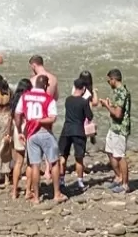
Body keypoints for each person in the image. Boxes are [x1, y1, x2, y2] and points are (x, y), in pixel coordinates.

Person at [18, 75, 63, 204]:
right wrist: (40, 120)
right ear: (46, 85)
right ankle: (56, 193)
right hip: (44, 131)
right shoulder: (49, 99)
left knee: (35, 165)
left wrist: (20, 130)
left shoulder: (25, 96)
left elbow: (17, 113)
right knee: (54, 162)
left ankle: (36, 197)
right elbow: (52, 118)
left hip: (31, 133)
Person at [95, 68, 132, 191]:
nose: (108, 83)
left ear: (113, 79)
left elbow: (118, 114)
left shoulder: (121, 92)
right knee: (109, 151)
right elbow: (116, 109)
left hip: (120, 128)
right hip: (113, 127)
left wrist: (106, 106)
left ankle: (125, 184)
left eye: (108, 81)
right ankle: (118, 177)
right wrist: (109, 104)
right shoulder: (116, 91)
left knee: (120, 155)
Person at [57, 77, 92, 192]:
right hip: (78, 131)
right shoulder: (84, 101)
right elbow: (90, 116)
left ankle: (61, 180)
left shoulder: (68, 100)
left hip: (66, 129)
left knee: (63, 156)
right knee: (79, 158)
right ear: (83, 89)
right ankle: (80, 182)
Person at [8, 78, 31, 200]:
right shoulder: (27, 99)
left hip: (17, 130)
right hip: (27, 129)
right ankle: (28, 191)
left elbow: (12, 116)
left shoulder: (14, 99)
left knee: (18, 162)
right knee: (30, 162)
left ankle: (14, 191)